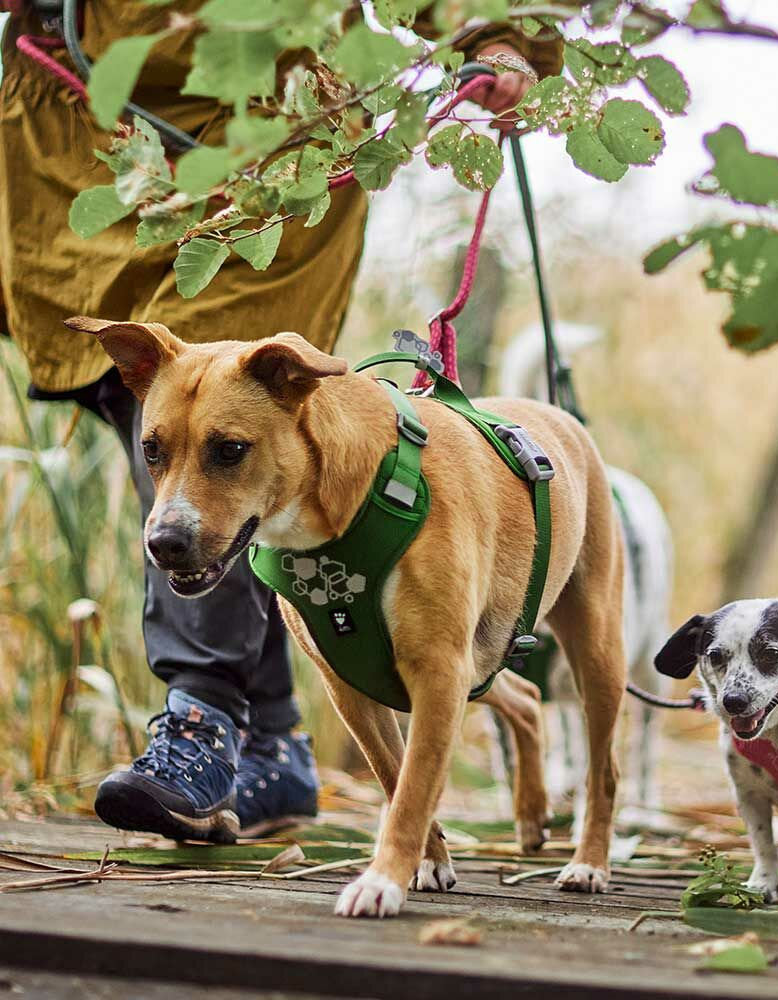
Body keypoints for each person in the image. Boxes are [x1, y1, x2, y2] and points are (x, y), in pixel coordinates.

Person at [0, 0, 561, 841]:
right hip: (88, 134)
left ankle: (202, 719)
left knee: (237, 405)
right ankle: (276, 747)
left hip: (274, 138)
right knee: (156, 406)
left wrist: (496, 29)